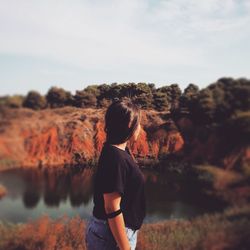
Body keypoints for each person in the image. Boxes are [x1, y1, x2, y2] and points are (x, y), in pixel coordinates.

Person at [85, 97, 146, 250]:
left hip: (112, 234)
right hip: (112, 237)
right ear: (129, 125)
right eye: (138, 124)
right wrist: (125, 247)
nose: (140, 128)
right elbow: (112, 208)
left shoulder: (117, 150)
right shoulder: (116, 157)